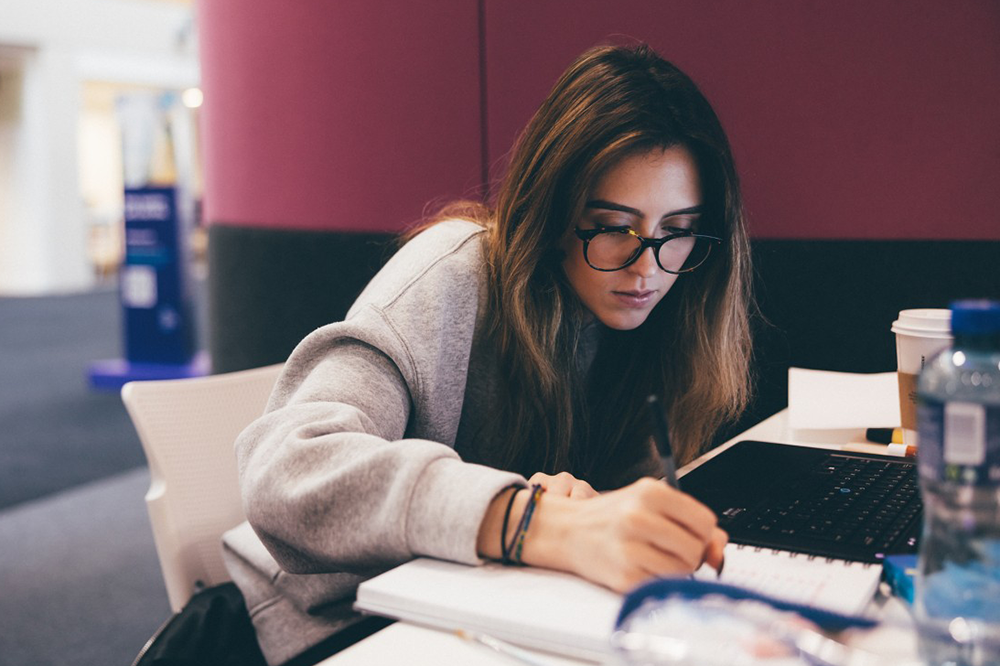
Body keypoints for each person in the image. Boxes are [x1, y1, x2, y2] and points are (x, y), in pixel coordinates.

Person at [222, 42, 754, 665]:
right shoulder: (455, 271)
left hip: (480, 621)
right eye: (614, 226)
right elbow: (285, 469)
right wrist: (535, 522)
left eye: (678, 232)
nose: (647, 267)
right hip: (336, 632)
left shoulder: (657, 323)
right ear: (553, 212)